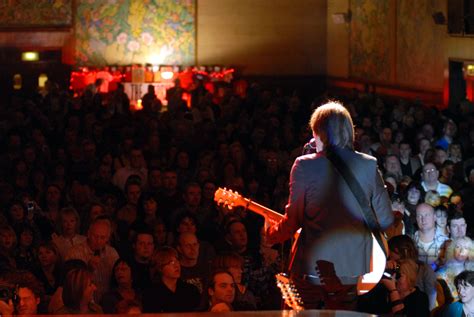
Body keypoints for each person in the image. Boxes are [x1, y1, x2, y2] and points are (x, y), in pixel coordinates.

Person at [264, 101, 393, 310]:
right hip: (349, 270)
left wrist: (272, 234)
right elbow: (386, 218)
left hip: (310, 269)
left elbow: (294, 219)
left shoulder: (304, 165)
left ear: (318, 132)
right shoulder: (368, 164)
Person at [65, 216, 119, 303]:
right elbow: (70, 284)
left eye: (102, 238)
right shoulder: (74, 253)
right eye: (95, 236)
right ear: (88, 233)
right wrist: (88, 269)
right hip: (82, 303)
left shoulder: (112, 254)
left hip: (107, 303)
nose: (98, 241)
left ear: (108, 238)